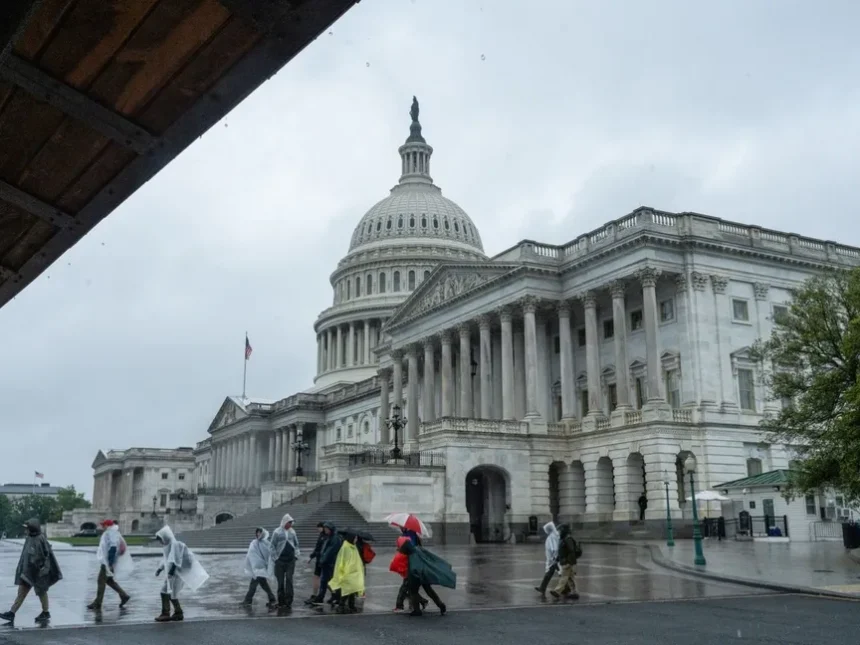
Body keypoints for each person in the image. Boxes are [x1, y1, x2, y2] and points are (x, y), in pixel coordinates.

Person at [0, 518, 62, 626]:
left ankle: (43, 612)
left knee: (39, 591)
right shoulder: (30, 538)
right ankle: (14, 612)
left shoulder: (39, 539)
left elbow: (44, 556)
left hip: (36, 572)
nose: (25, 531)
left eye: (27, 529)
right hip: (28, 572)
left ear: (32, 529)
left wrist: (39, 569)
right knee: (28, 592)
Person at [154, 525, 209, 622]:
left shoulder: (175, 545)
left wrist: (171, 572)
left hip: (176, 574)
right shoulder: (169, 545)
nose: (160, 542)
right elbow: (166, 560)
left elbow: (176, 560)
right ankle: (178, 613)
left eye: (161, 539)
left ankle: (165, 613)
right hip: (173, 574)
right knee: (172, 594)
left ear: (166, 537)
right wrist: (160, 569)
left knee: (164, 592)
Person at [398, 538, 454, 616]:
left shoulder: (412, 556)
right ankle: (441, 605)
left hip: (417, 576)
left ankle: (417, 610)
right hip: (424, 573)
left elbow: (414, 568)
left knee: (413, 592)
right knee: (429, 591)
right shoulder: (417, 549)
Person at [87, 519, 132, 611]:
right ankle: (124, 595)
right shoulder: (112, 532)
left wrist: (109, 563)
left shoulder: (111, 533)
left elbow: (113, 547)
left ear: (107, 525)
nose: (102, 526)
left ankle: (98, 603)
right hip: (107, 561)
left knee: (101, 581)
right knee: (109, 581)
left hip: (107, 562)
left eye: (103, 525)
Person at [328, 529, 365, 613]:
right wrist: (344, 572)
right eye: (355, 538)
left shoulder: (353, 546)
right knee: (347, 590)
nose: (356, 540)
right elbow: (343, 561)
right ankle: (341, 605)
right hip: (348, 572)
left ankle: (351, 605)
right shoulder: (346, 547)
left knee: (352, 589)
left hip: (354, 572)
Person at [270, 514, 300, 609]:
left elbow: (296, 544)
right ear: (284, 522)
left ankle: (289, 601)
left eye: (291, 523)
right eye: (289, 522)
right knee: (280, 581)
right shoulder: (277, 532)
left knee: (289, 580)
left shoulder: (292, 532)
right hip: (280, 560)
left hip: (290, 560)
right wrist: (275, 558)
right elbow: (272, 546)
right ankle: (281, 601)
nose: (290, 524)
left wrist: (296, 555)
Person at [390, 536, 428, 613]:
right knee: (410, 591)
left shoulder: (408, 553)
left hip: (409, 575)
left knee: (403, 590)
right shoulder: (408, 552)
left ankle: (400, 606)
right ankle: (423, 601)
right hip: (409, 575)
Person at [309, 522, 341, 606]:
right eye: (325, 528)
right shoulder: (328, 537)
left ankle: (337, 596)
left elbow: (329, 552)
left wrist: (322, 559)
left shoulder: (334, 538)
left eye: (327, 528)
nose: (325, 530)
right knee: (324, 581)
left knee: (330, 581)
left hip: (329, 563)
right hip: (326, 563)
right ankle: (322, 597)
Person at [243, 527, 276, 608]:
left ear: (263, 533)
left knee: (253, 584)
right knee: (263, 584)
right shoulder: (253, 543)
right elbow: (250, 554)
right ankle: (272, 598)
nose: (258, 534)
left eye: (260, 533)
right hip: (256, 568)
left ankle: (248, 600)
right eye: (257, 533)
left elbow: (269, 554)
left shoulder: (266, 543)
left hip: (261, 568)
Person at [549, 524, 581, 601]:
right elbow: (561, 552)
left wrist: (571, 562)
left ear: (564, 531)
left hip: (567, 562)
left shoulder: (568, 539)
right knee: (570, 578)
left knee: (564, 577)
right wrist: (556, 560)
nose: (559, 532)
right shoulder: (563, 539)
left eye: (560, 531)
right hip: (564, 562)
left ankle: (557, 591)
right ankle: (575, 592)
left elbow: (571, 552)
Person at [534, 521, 560, 598]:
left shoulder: (551, 537)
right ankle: (542, 587)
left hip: (553, 559)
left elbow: (554, 548)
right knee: (555, 573)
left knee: (558, 573)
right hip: (555, 558)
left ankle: (543, 587)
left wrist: (554, 558)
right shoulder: (555, 535)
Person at [307, 522, 327, 599]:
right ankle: (315, 594)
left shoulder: (323, 537)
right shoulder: (323, 536)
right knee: (319, 577)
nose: (317, 529)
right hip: (321, 559)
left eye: (319, 527)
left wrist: (312, 556)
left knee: (321, 578)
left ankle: (335, 594)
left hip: (322, 560)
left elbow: (318, 549)